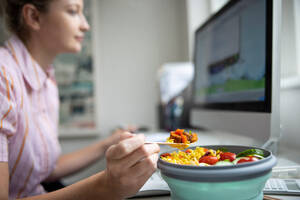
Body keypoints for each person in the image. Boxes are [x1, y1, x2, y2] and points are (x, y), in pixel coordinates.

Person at [0, 0, 160, 199]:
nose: (85, 25)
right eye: (73, 11)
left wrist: (107, 143)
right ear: (34, 17)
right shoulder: (3, 76)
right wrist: (106, 186)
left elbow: (46, 169)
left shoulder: (47, 80)